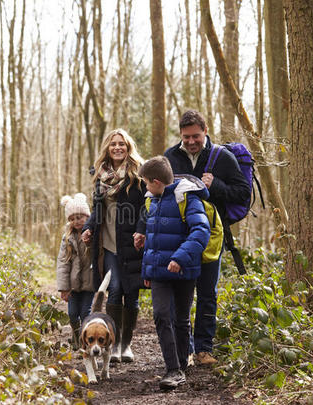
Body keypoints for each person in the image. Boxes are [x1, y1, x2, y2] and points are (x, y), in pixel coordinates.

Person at [164, 110, 250, 365]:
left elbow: (242, 192)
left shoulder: (221, 157)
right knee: (181, 296)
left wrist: (216, 186)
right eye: (186, 137)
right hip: (179, 239)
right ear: (180, 135)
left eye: (196, 136)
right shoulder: (170, 156)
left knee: (207, 294)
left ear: (205, 131)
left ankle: (203, 349)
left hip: (212, 238)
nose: (191, 142)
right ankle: (185, 350)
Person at [133, 156, 211, 390]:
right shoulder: (151, 200)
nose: (145, 187)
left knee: (180, 320)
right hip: (159, 272)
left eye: (146, 182)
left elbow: (201, 231)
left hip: (184, 270)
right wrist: (147, 267)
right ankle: (172, 368)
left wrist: (179, 257)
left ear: (156, 182)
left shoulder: (187, 197)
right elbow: (154, 239)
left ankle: (180, 366)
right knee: (161, 314)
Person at [81, 128, 146, 363]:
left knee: (132, 292)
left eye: (122, 144)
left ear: (128, 148)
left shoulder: (138, 175)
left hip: (132, 243)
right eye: (113, 144)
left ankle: (126, 345)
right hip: (107, 243)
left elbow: (147, 209)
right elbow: (97, 209)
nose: (117, 147)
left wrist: (141, 230)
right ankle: (114, 342)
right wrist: (89, 227)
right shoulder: (100, 176)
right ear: (107, 148)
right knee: (115, 289)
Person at [56, 193, 94, 350]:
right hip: (72, 285)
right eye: (72, 219)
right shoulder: (67, 238)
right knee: (72, 314)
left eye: (79, 217)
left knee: (86, 313)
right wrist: (64, 287)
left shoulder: (93, 234)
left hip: (90, 283)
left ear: (87, 216)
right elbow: (63, 263)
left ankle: (84, 340)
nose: (76, 221)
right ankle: (76, 335)